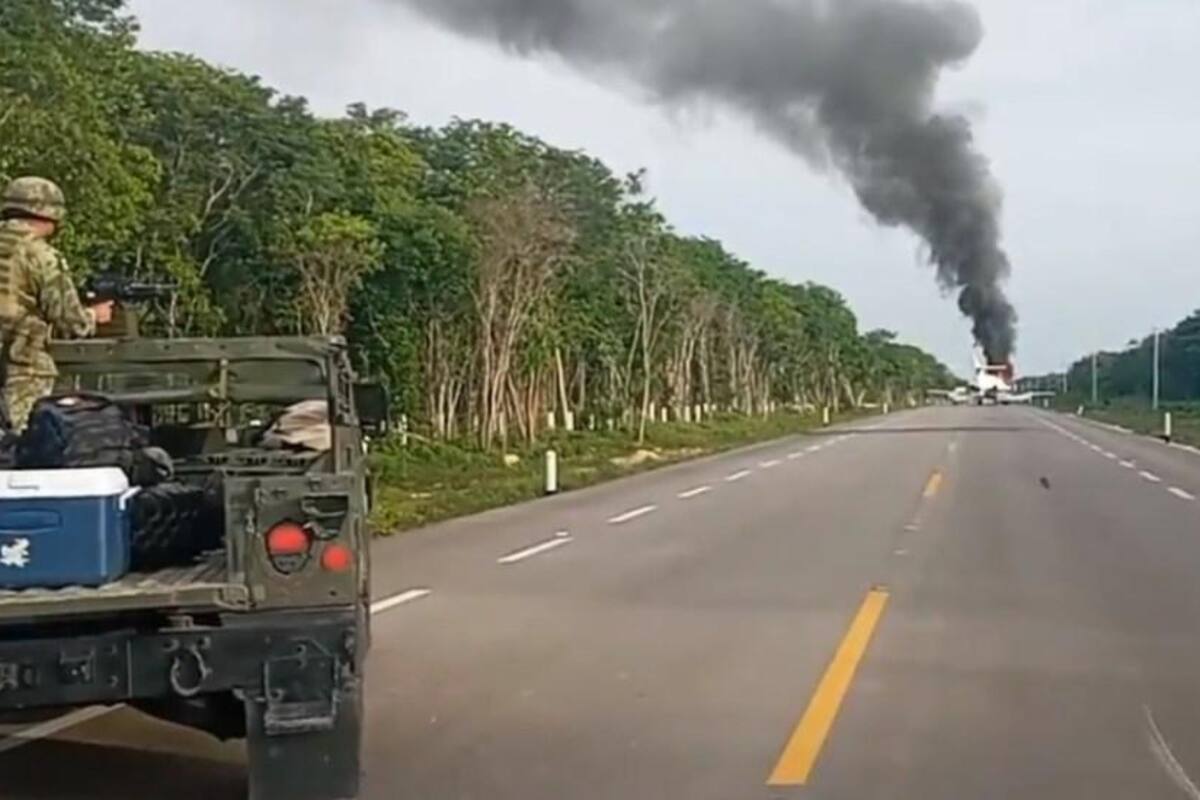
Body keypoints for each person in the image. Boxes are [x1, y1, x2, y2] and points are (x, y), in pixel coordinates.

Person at [0, 177, 113, 431]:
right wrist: (94, 315)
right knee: (24, 449)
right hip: (22, 369)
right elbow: (72, 322)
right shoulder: (41, 255)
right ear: (48, 213)